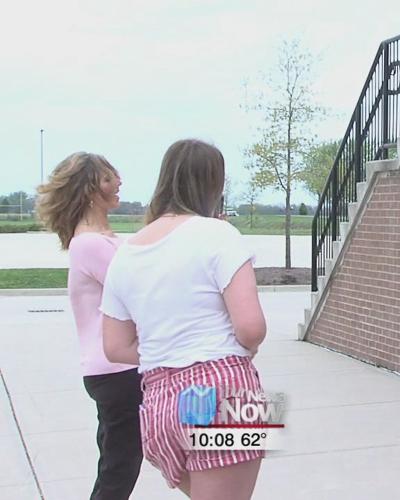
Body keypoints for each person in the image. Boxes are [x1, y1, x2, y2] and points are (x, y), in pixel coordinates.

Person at [100, 139, 267, 499]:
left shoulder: (127, 252)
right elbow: (251, 327)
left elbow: (115, 346)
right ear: (214, 185)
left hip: (158, 402)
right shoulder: (218, 234)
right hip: (224, 390)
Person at [35, 153, 143, 500]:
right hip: (117, 370)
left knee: (117, 466)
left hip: (120, 369)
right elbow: (141, 288)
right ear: (90, 190)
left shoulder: (105, 240)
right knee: (119, 470)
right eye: (110, 178)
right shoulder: (89, 244)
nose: (119, 182)